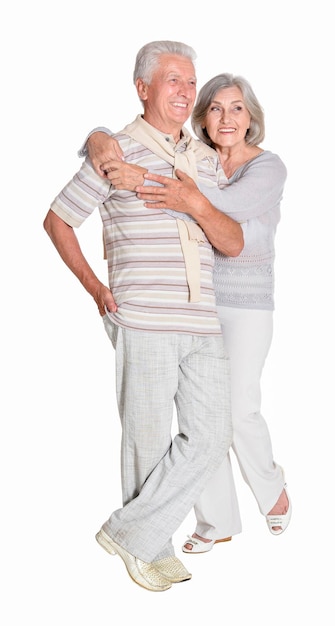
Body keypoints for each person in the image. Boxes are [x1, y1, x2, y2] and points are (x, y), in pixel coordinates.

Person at [43, 41, 244, 592]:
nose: (185, 91)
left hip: (202, 318)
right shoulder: (116, 153)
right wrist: (93, 285)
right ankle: (149, 550)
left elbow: (232, 239)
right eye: (173, 80)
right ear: (143, 89)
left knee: (211, 433)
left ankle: (129, 534)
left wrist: (194, 201)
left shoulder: (204, 159)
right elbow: (58, 220)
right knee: (147, 439)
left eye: (190, 81)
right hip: (145, 315)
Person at [83, 72, 291, 555]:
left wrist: (162, 186)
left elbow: (226, 213)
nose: (227, 118)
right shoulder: (193, 161)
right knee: (202, 417)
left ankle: (271, 486)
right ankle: (217, 518)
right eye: (216, 108)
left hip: (247, 303)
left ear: (251, 117)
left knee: (239, 410)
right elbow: (149, 145)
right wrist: (96, 138)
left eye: (237, 108)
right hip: (194, 300)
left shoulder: (267, 168)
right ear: (202, 117)